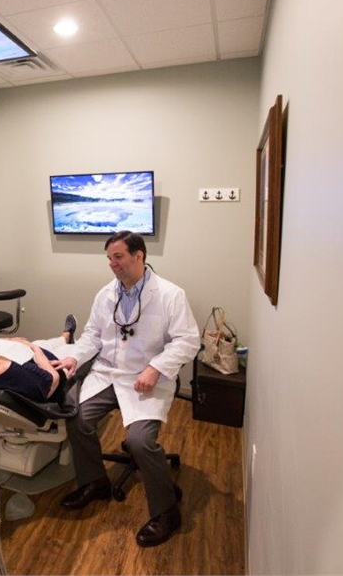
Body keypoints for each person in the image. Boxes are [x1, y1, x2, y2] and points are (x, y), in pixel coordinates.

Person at [52, 230, 200, 548]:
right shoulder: (106, 294)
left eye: (118, 257)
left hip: (148, 379)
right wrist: (72, 357)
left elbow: (188, 340)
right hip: (109, 374)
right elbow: (92, 335)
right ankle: (95, 483)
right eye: (109, 258)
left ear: (139, 256)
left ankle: (167, 512)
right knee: (76, 418)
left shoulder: (170, 295)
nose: (112, 264)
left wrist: (156, 367)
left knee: (140, 441)